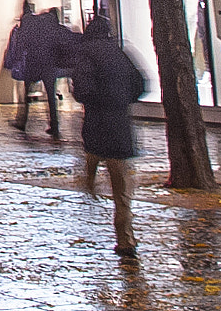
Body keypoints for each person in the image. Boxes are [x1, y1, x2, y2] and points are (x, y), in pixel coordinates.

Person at [71, 15, 148, 260]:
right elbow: (140, 85)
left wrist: (94, 100)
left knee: (92, 160)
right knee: (122, 190)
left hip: (96, 124)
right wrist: (121, 100)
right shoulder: (120, 53)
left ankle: (89, 190)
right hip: (120, 127)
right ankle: (126, 239)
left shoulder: (85, 54)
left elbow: (82, 91)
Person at [14, 3, 73, 139]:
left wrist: (17, 58)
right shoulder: (56, 29)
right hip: (49, 65)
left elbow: (22, 44)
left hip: (33, 63)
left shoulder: (31, 28)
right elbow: (67, 42)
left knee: (26, 94)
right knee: (51, 96)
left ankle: (23, 121)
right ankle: (54, 124)